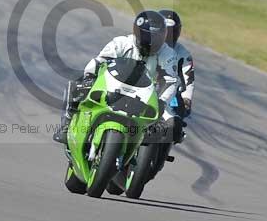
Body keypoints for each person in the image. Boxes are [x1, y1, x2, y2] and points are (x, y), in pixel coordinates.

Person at [53, 10, 181, 145]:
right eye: (147, 37)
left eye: (156, 38)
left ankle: (145, 155)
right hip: (115, 86)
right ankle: (66, 125)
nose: (150, 42)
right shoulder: (121, 43)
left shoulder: (167, 53)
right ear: (137, 32)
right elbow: (99, 61)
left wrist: (162, 101)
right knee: (76, 86)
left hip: (148, 96)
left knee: (173, 126)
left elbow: (172, 81)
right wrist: (89, 77)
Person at [158, 9, 194, 118]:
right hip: (144, 89)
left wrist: (186, 99)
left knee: (175, 124)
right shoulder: (147, 47)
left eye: (171, 32)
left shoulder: (184, 54)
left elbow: (189, 79)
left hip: (169, 94)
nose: (168, 36)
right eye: (165, 32)